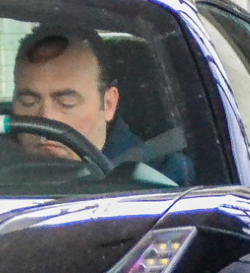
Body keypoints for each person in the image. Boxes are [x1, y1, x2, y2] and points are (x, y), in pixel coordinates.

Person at [10, 28, 193, 184]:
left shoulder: (160, 176)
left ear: (108, 104)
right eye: (29, 102)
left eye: (66, 102)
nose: (46, 117)